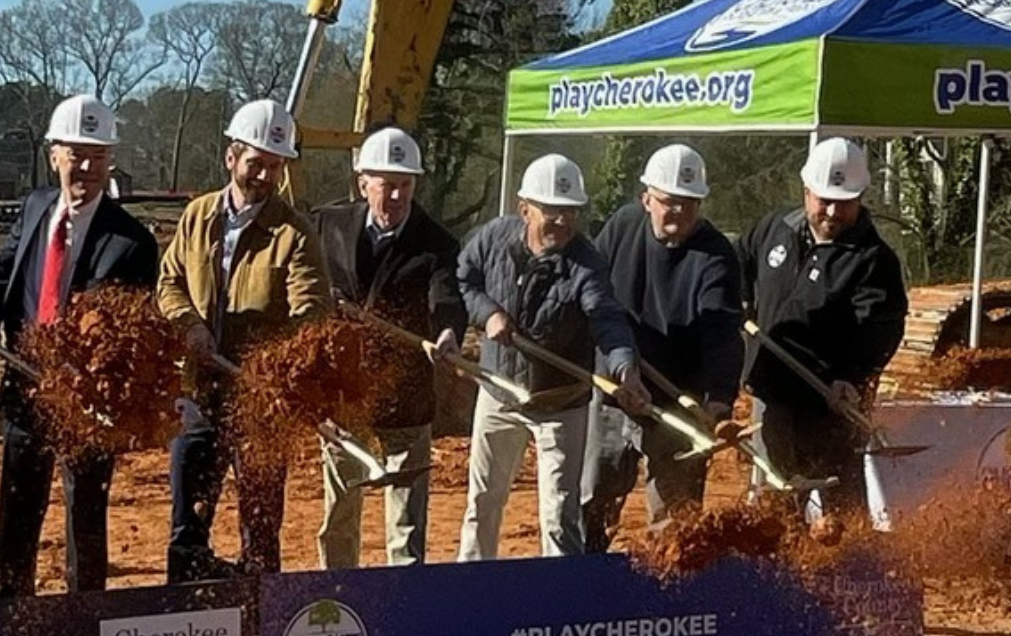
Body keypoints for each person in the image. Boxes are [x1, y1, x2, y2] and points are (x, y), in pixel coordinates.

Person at [0, 95, 160, 597]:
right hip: (25, 383)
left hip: (87, 398)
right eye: (77, 154)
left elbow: (125, 329)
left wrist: (87, 378)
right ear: (54, 154)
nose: (88, 168)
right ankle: (11, 607)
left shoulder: (132, 242)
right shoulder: (35, 207)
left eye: (99, 156)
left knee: (86, 512)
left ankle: (85, 612)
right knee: (17, 506)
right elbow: (4, 267)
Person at [155, 98, 327, 580]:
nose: (265, 176)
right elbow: (169, 282)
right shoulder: (197, 216)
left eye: (275, 166)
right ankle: (186, 605)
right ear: (231, 157)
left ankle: (257, 612)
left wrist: (276, 362)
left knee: (260, 528)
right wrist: (189, 325)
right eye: (256, 163)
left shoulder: (294, 233)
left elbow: (311, 308)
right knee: (188, 525)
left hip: (260, 405)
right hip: (199, 394)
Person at [454, 152, 644, 561]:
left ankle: (559, 589)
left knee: (559, 512)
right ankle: (471, 582)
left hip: (560, 403)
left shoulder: (587, 265)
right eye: (552, 211)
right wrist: (488, 314)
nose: (562, 220)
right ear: (525, 209)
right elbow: (465, 280)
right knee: (482, 502)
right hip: (499, 392)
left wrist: (625, 368)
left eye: (570, 211)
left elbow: (606, 319)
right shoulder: (492, 239)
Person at [309, 126, 466, 568]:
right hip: (345, 392)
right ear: (363, 184)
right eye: (386, 185)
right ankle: (338, 584)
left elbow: (446, 297)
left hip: (405, 393)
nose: (396, 196)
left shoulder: (437, 244)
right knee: (340, 510)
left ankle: (405, 589)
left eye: (405, 186)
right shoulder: (327, 224)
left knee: (406, 520)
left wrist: (447, 332)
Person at [738, 137, 909, 522]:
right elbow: (739, 265)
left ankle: (851, 561)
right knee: (777, 500)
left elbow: (880, 330)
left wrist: (853, 376)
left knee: (841, 503)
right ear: (806, 191)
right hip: (773, 393)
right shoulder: (773, 230)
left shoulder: (873, 260)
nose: (832, 212)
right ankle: (780, 558)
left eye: (844, 202)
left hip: (833, 401)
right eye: (824, 200)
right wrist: (740, 305)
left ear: (861, 198)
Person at [586, 143, 746, 549]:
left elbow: (722, 331)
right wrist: (618, 364)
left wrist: (718, 400)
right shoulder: (622, 227)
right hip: (615, 389)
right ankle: (586, 573)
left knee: (676, 520)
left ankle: (669, 583)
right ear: (647, 199)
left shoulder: (716, 256)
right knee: (592, 499)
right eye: (669, 202)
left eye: (689, 203)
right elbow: (592, 290)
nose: (679, 211)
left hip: (678, 400)